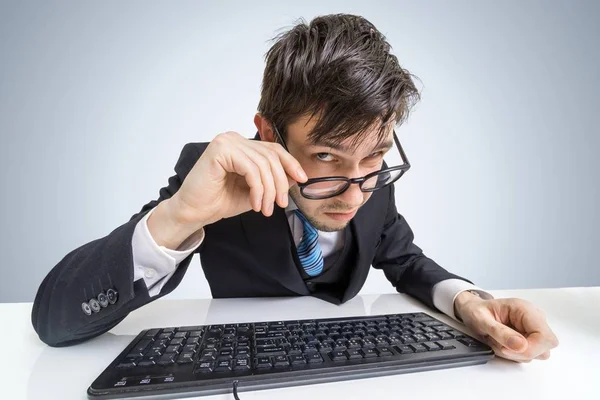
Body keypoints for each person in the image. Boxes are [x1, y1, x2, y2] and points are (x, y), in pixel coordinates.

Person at [32, 13, 558, 363]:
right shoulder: (212, 175)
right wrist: (179, 217)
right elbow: (54, 323)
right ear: (268, 134)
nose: (355, 193)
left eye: (374, 156)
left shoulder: (370, 179)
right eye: (326, 156)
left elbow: (403, 257)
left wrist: (468, 301)